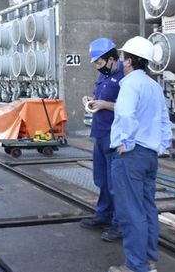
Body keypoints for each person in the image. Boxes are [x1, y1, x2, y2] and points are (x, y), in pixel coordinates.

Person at [107, 36, 172, 272]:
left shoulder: (130, 84)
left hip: (131, 156)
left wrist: (126, 142)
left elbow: (124, 114)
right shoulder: (154, 86)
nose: (121, 61)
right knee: (147, 209)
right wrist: (161, 146)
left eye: (123, 57)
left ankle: (136, 266)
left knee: (130, 213)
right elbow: (165, 121)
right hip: (150, 156)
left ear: (130, 61)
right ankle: (149, 260)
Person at [79, 38, 124, 242]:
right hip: (100, 133)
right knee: (102, 179)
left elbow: (128, 107)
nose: (97, 67)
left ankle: (119, 223)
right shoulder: (104, 76)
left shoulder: (124, 76)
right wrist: (90, 100)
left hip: (114, 135)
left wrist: (106, 104)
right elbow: (102, 99)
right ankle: (103, 215)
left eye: (99, 62)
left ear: (112, 59)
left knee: (116, 183)